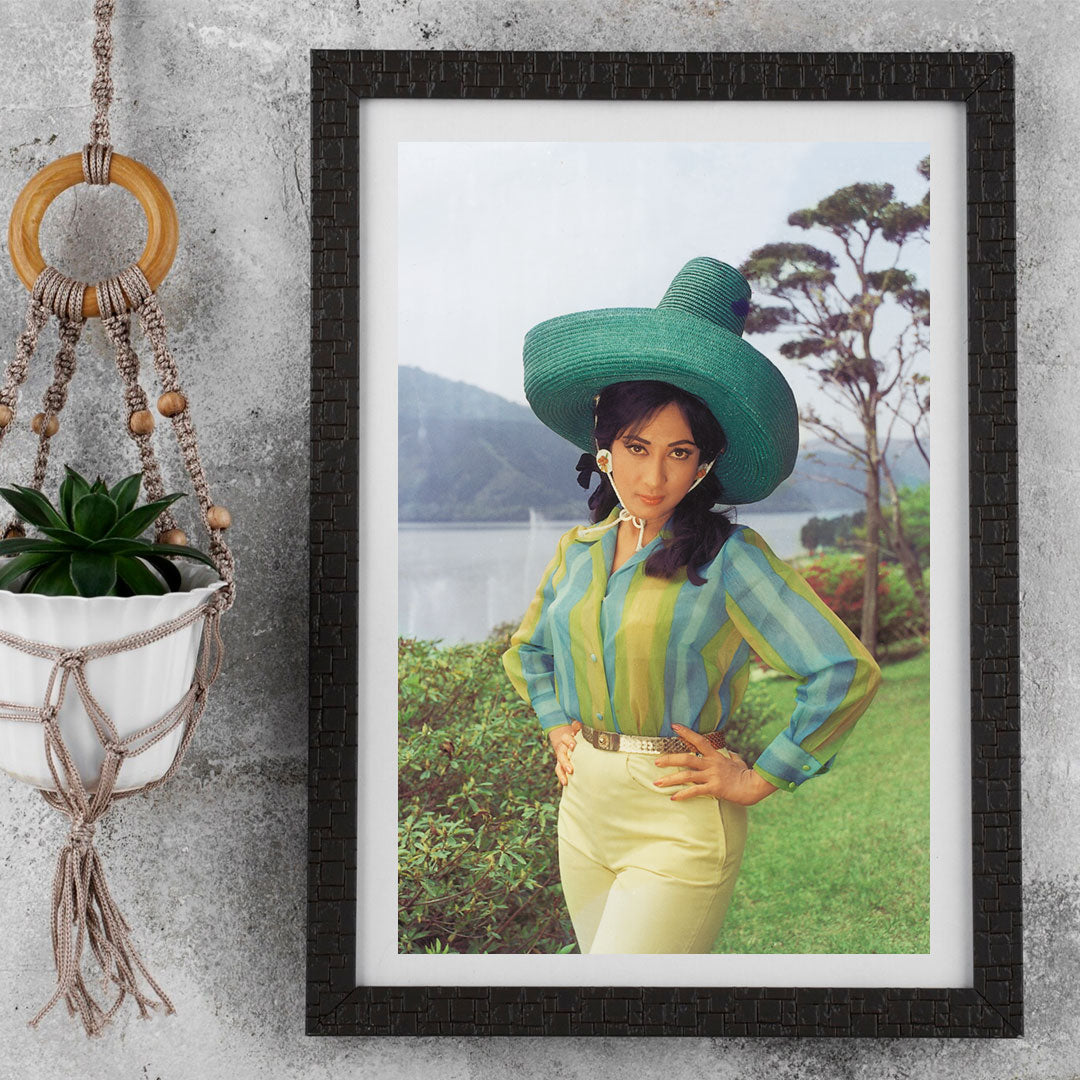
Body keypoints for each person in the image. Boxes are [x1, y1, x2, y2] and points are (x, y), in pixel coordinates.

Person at [502, 256, 882, 955]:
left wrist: (763, 773)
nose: (654, 476)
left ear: (705, 464)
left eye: (680, 452)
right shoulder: (577, 551)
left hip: (677, 822)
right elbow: (527, 651)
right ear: (605, 446)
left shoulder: (731, 559)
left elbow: (843, 671)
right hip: (582, 815)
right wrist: (558, 725)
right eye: (636, 446)